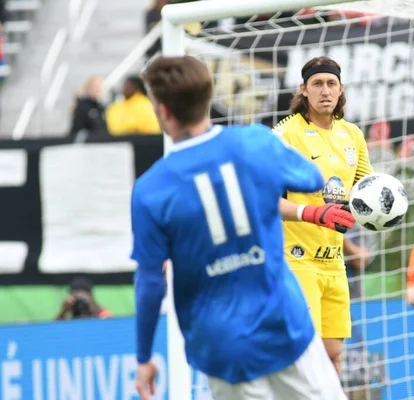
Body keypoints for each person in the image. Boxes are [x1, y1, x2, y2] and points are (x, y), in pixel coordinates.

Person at [132, 55, 346, 400]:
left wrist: (144, 357)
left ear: (163, 111)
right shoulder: (255, 142)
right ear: (208, 97)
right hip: (285, 325)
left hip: (221, 345)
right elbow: (311, 177)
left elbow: (150, 282)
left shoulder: (150, 189)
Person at [274, 56, 374, 375]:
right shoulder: (285, 135)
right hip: (296, 260)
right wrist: (313, 213)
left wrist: (371, 210)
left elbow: (367, 192)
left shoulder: (353, 135)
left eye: (331, 83)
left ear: (341, 88)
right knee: (307, 356)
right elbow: (263, 200)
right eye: (317, 83)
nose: (325, 90)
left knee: (334, 354)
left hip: (335, 262)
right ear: (303, 90)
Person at [68, 75, 109, 140]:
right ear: (89, 88)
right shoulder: (82, 106)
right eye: (95, 86)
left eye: (100, 86)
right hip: (88, 145)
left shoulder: (101, 107)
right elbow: (77, 131)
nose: (98, 89)